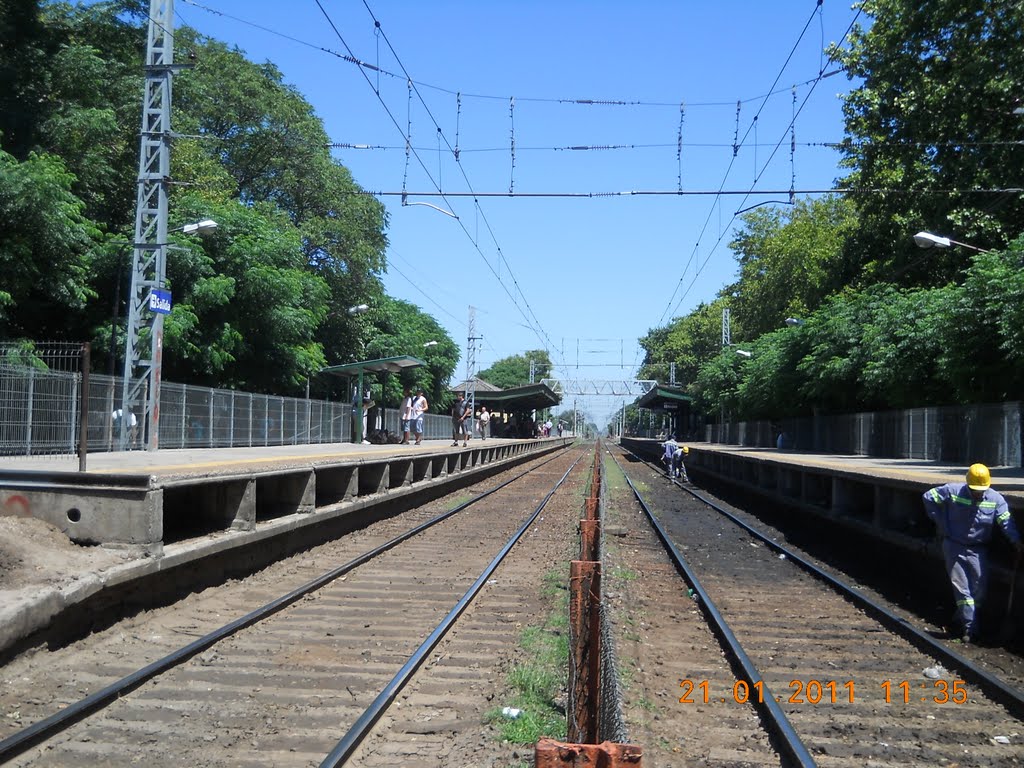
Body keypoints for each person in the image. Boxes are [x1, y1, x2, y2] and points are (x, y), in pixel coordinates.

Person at [922, 463, 1024, 643]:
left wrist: (1016, 541)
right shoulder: (953, 491)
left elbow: (1005, 521)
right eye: (975, 489)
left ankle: (959, 619)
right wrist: (940, 521)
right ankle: (970, 629)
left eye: (981, 490)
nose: (978, 493)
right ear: (968, 484)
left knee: (979, 589)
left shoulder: (995, 499)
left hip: (978, 549)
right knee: (962, 588)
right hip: (955, 545)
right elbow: (928, 496)